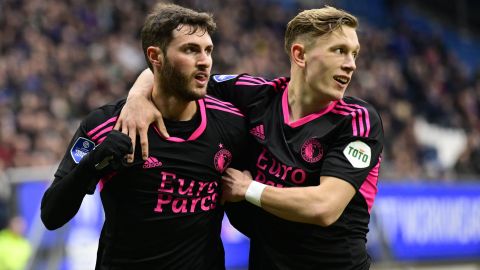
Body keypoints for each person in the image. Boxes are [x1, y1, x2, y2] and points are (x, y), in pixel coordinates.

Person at [117, 5, 384, 270]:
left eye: (354, 54)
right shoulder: (256, 96)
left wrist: (249, 190)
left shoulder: (357, 119)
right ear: (300, 55)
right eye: (339, 51)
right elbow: (175, 75)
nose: (351, 65)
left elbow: (324, 207)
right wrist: (137, 96)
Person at [40, 3, 247, 269]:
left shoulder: (230, 122)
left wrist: (249, 191)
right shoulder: (107, 125)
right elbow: (51, 215)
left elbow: (248, 220)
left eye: (208, 50)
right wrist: (95, 163)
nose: (205, 60)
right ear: (155, 57)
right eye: (190, 49)